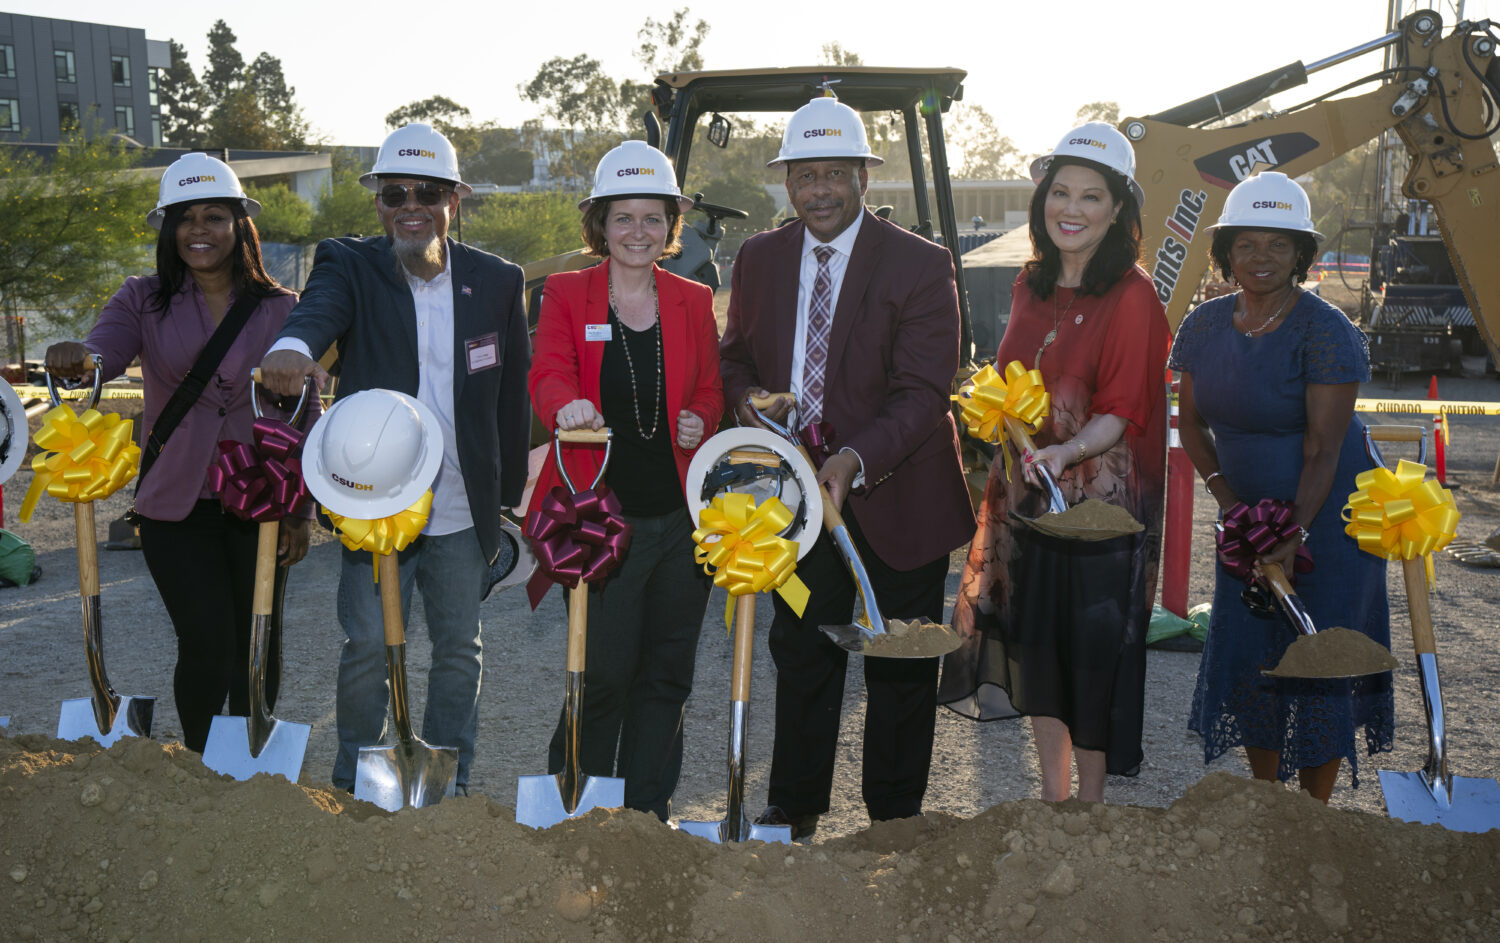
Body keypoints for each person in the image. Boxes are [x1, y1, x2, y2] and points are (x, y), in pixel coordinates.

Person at [720, 95, 975, 840]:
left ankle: (893, 820)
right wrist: (747, 400)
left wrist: (854, 457)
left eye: (836, 173)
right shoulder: (760, 258)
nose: (820, 189)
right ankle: (794, 806)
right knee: (801, 650)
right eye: (806, 175)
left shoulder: (922, 265)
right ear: (787, 181)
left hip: (898, 497)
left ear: (866, 176)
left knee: (897, 664)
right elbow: (734, 355)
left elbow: (925, 389)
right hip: (796, 499)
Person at [258, 123, 531, 794]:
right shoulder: (348, 265)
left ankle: (447, 779)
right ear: (378, 202)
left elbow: (512, 395)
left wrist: (509, 497)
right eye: (395, 192)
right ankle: (354, 780)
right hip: (377, 502)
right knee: (367, 649)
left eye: (428, 191)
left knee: (459, 652)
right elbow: (317, 311)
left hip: (464, 506)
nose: (412, 205)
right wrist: (295, 347)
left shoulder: (496, 281)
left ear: (454, 201)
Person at [44, 154, 315, 753]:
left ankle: (250, 766)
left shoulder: (283, 307)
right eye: (184, 217)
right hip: (176, 503)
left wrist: (302, 511)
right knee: (208, 641)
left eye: (214, 216)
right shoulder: (143, 299)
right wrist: (77, 357)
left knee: (258, 641)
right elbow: (101, 352)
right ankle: (199, 765)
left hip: (264, 499)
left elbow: (306, 414)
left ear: (241, 223)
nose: (199, 229)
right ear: (168, 229)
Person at [939, 122, 1169, 803]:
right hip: (1029, 498)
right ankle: (1053, 797)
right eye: (1060, 192)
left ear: (1119, 210)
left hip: (1098, 508)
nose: (1071, 208)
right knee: (1039, 645)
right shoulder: (1028, 284)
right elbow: (1011, 379)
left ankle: (1089, 808)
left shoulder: (1132, 295)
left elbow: (1121, 409)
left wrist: (1064, 451)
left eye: (1091, 197)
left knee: (1091, 655)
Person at [1169, 171, 1392, 802]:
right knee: (1251, 653)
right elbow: (1192, 431)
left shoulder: (1326, 330)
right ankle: (1269, 805)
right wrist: (1239, 513)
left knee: (1321, 657)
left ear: (1301, 254)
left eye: (1278, 244)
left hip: (1327, 520)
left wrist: (1290, 530)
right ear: (1226, 252)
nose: (1260, 257)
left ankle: (1313, 814)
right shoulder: (1204, 326)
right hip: (1247, 518)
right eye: (1246, 244)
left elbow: (1324, 448)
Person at [526, 140, 723, 821]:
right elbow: (546, 370)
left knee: (667, 676)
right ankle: (573, 806)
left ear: (672, 224)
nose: (638, 232)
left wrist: (700, 416)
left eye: (652, 218)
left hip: (677, 520)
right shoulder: (566, 292)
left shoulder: (693, 299)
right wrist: (565, 405)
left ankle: (645, 816)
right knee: (602, 673)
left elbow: (708, 387)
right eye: (623, 218)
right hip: (598, 519)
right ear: (600, 225)